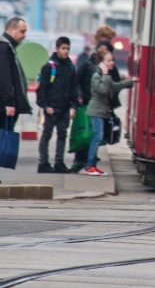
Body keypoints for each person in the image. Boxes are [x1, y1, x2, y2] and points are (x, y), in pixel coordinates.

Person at [0, 17, 33, 184]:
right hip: (2, 105)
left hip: (3, 104)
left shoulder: (6, 48)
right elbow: (3, 78)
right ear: (11, 30)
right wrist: (9, 102)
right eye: (22, 31)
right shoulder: (3, 49)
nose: (24, 35)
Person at [73, 25, 121, 172]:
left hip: (99, 103)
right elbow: (78, 79)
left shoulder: (109, 62)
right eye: (106, 39)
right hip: (88, 101)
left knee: (94, 133)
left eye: (110, 40)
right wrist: (79, 95)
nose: (109, 43)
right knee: (85, 132)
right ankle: (84, 160)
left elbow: (115, 82)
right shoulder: (89, 60)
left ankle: (89, 159)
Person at [84, 46, 136, 176]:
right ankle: (89, 165)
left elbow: (115, 86)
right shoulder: (97, 76)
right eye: (109, 60)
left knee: (98, 137)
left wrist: (130, 82)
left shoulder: (106, 77)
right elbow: (104, 90)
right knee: (97, 136)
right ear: (102, 63)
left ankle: (93, 165)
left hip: (102, 112)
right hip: (96, 111)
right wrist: (106, 74)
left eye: (112, 60)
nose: (112, 63)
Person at [35, 36, 80, 174]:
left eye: (67, 49)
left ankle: (59, 163)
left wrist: (74, 105)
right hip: (51, 108)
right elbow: (42, 89)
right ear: (56, 49)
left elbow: (73, 87)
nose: (66, 51)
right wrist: (45, 106)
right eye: (63, 48)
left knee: (62, 135)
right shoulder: (49, 67)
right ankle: (43, 163)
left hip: (64, 107)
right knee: (47, 135)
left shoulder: (70, 67)